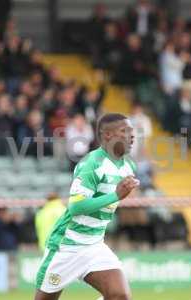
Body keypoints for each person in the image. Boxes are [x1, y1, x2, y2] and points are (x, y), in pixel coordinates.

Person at [34, 113, 139, 300]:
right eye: (124, 131)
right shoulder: (92, 164)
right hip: (67, 245)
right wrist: (115, 195)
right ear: (107, 135)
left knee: (120, 296)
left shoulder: (127, 167)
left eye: (131, 131)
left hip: (94, 245)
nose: (131, 135)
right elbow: (76, 207)